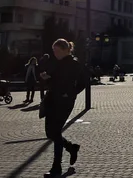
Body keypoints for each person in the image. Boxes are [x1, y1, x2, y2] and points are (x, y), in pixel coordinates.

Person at [40, 38, 87, 177]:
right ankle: (71, 148)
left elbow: (83, 82)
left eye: (58, 51)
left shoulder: (74, 64)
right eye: (54, 51)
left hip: (64, 102)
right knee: (50, 133)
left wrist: (70, 94)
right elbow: (54, 82)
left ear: (66, 50)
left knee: (55, 132)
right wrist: (45, 77)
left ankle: (56, 167)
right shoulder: (55, 62)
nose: (55, 53)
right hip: (51, 100)